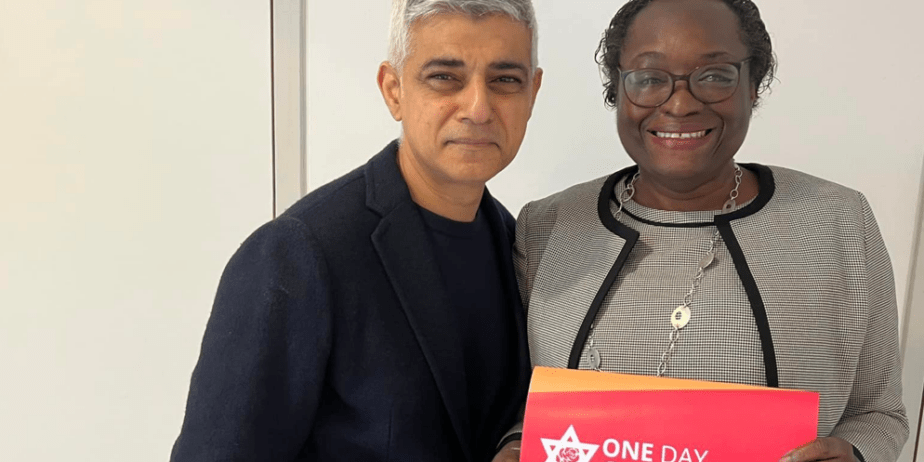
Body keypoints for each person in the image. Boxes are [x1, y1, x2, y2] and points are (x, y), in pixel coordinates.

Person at [497, 1, 908, 461]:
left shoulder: (837, 223)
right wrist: (515, 446)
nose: (680, 103)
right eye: (650, 78)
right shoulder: (547, 228)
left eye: (715, 76)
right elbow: (518, 404)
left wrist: (853, 453)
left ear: (754, 85)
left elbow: (879, 412)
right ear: (618, 88)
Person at [170, 0, 543, 460]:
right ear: (393, 90)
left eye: (505, 80)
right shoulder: (299, 253)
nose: (478, 107)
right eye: (445, 77)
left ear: (533, 93)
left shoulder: (522, 244)